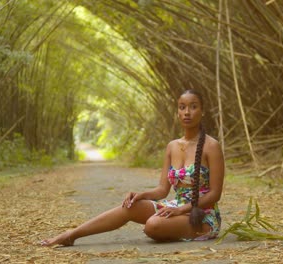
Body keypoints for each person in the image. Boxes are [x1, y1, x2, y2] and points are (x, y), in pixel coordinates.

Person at [40, 90, 225, 246]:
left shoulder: (212, 146)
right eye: (182, 107)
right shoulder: (172, 146)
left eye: (193, 106)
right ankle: (72, 235)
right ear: (177, 112)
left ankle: (168, 227)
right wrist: (140, 195)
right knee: (131, 206)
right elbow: (162, 189)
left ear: (202, 111)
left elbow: (215, 195)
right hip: (174, 208)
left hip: (201, 216)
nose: (187, 112)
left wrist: (181, 210)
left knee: (153, 225)